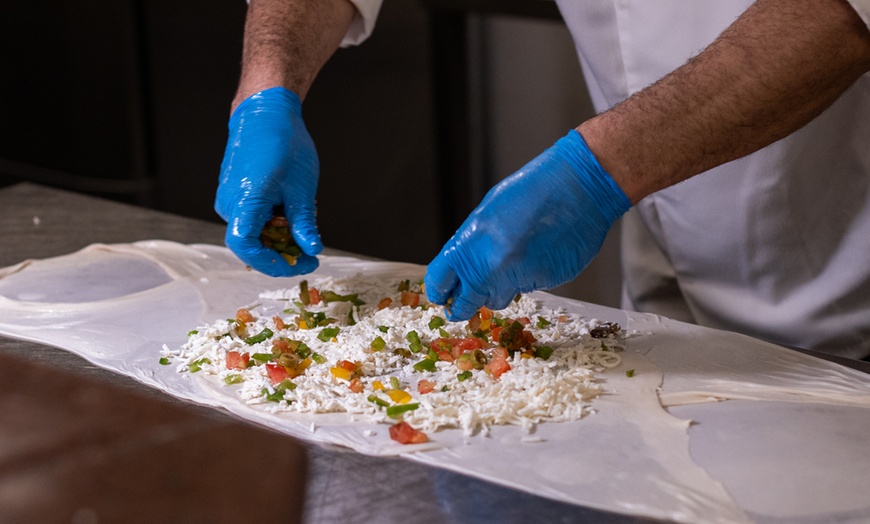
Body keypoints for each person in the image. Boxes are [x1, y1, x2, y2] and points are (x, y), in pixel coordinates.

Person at [215, 0, 870, 359]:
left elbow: (844, 14)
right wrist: (267, 84)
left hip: (848, 274)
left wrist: (599, 171)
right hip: (666, 277)